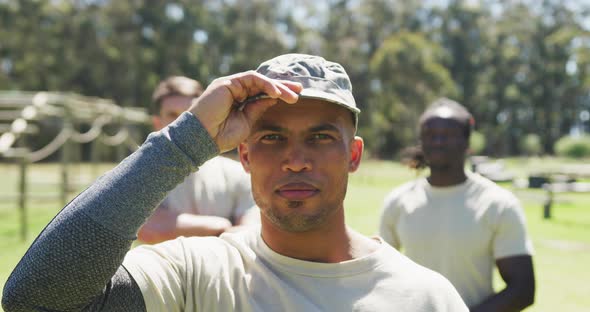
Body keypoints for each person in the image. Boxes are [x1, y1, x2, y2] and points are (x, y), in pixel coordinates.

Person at [3, 54, 468, 311]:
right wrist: (184, 142)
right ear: (243, 155)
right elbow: (34, 300)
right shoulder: (196, 273)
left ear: (353, 155)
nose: (295, 160)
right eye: (272, 137)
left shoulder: (427, 297)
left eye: (321, 137)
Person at [379, 98, 535, 311]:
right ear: (421, 142)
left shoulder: (498, 204)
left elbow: (522, 289)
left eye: (448, 135)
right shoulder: (398, 202)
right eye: (430, 135)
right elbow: (382, 276)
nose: (438, 142)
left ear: (467, 143)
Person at [138, 76, 257, 243]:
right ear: (157, 123)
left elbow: (249, 236)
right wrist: (221, 226)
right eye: (173, 115)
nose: (182, 123)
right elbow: (148, 229)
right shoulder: (141, 174)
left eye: (190, 113)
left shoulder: (239, 174)